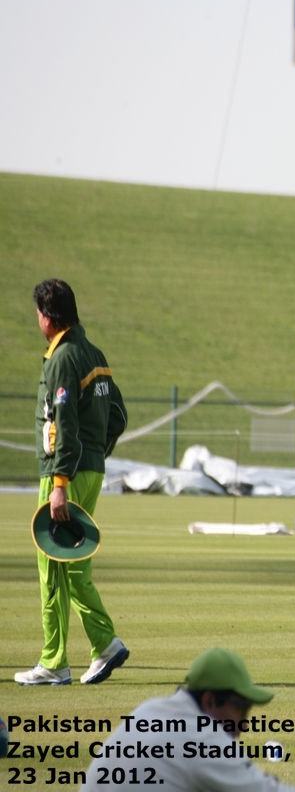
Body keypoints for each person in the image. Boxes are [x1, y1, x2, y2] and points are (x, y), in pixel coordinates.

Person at [16, 279, 130, 686]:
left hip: (64, 473)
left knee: (53, 567)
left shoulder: (63, 358)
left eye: (38, 314)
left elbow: (62, 422)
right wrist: (95, 453)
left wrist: (61, 480)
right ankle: (105, 645)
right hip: (90, 469)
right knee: (75, 566)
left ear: (48, 317)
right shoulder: (93, 353)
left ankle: (54, 662)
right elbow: (118, 415)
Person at [81, 648, 295, 791]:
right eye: (241, 709)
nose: (244, 724)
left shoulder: (150, 709)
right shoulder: (201, 737)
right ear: (209, 701)